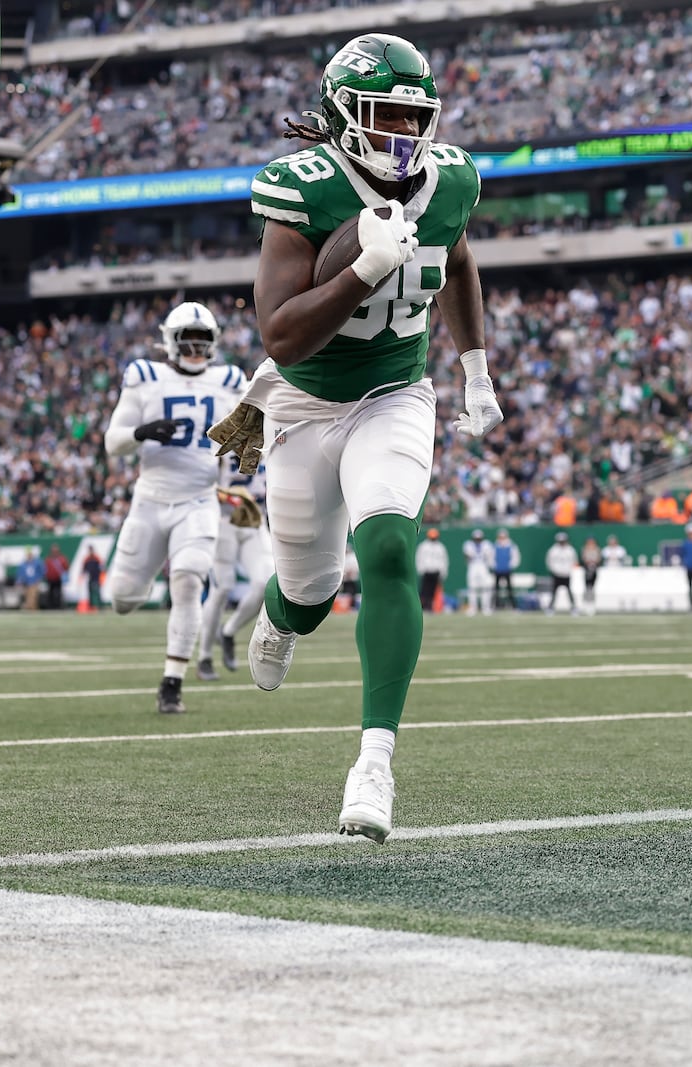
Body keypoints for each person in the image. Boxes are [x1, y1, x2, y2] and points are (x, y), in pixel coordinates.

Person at [204, 33, 499, 843]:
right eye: (385, 115)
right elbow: (282, 337)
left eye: (415, 116)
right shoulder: (301, 187)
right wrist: (361, 270)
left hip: (396, 393)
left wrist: (474, 368)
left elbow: (460, 259)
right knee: (311, 593)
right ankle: (278, 616)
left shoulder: (452, 180)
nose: (403, 135)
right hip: (303, 404)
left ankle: (374, 763)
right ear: (342, 115)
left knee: (392, 550)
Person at [105, 300, 249, 714]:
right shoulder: (145, 378)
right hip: (150, 500)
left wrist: (243, 453)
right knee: (122, 599)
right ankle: (141, 588)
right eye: (188, 341)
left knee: (188, 581)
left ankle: (172, 682)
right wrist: (142, 431)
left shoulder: (229, 381)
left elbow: (250, 436)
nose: (195, 350)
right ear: (171, 341)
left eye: (203, 342)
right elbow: (113, 443)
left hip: (199, 501)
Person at [197, 459, 273, 679]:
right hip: (224, 521)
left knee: (265, 583)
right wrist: (230, 496)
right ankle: (204, 658)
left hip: (255, 521)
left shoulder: (273, 430)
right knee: (221, 588)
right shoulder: (220, 432)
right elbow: (202, 482)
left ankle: (228, 632)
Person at [414, 527, 449, 613]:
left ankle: (430, 607)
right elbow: (419, 558)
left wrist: (443, 572)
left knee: (433, 590)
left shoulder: (440, 547)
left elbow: (444, 560)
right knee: (424, 590)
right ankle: (423, 607)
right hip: (426, 570)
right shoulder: (423, 546)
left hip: (436, 571)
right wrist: (420, 569)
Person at [545, 531, 579, 615]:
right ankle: (550, 608)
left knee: (569, 591)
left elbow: (574, 561)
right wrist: (554, 570)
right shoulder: (553, 550)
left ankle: (573, 607)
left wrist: (569, 570)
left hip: (566, 574)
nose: (562, 543)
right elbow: (549, 561)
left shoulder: (570, 550)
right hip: (556, 574)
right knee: (554, 592)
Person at [464, 528, 495, 615]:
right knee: (472, 587)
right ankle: (472, 608)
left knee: (486, 587)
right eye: (476, 538)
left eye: (479, 538)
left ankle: (486, 607)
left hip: (483, 565)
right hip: (473, 566)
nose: (477, 540)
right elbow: (468, 555)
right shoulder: (468, 544)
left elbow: (490, 555)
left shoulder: (487, 544)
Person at [491, 528, 520, 610]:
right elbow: (491, 558)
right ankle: (495, 605)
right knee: (496, 589)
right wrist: (494, 566)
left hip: (507, 570)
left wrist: (510, 566)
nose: (502, 538)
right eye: (500, 537)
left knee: (510, 589)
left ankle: (514, 606)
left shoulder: (511, 546)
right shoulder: (495, 546)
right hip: (498, 571)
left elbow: (515, 557)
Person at [580, 536, 602, 615]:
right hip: (587, 570)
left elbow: (598, 559)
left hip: (594, 569)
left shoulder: (597, 549)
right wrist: (588, 563)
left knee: (592, 589)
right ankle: (585, 605)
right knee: (587, 588)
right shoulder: (585, 549)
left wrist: (594, 563)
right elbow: (584, 559)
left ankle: (592, 606)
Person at [44, 545, 69, 610]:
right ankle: (50, 607)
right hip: (50, 579)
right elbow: (45, 569)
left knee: (59, 593)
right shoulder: (48, 559)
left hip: (58, 579)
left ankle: (59, 606)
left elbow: (66, 567)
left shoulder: (62, 559)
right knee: (50, 593)